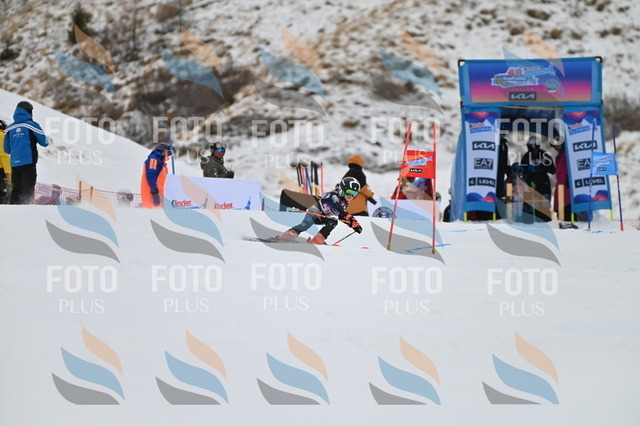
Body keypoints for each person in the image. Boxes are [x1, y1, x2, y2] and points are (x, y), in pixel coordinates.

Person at [276, 177, 363, 245]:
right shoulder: (334, 196)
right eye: (349, 192)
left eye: (354, 194)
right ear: (342, 190)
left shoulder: (344, 203)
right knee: (307, 224)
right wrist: (350, 217)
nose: (351, 196)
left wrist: (352, 225)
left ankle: (318, 239)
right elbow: (338, 207)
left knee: (333, 222)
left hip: (322, 217)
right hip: (314, 212)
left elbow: (341, 215)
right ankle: (288, 235)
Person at [3, 101, 49, 204]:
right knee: (28, 188)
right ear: (29, 112)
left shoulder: (9, 128)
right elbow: (45, 142)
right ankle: (27, 208)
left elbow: (6, 149)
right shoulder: (32, 125)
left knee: (16, 189)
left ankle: (14, 209)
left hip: (14, 163)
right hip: (28, 162)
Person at [520, 135, 556, 222]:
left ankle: (545, 223)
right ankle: (528, 223)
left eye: (534, 146)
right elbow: (522, 171)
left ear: (538, 145)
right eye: (530, 146)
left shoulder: (544, 155)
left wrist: (543, 165)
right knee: (529, 208)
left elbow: (552, 170)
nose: (533, 148)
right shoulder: (526, 156)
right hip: (530, 185)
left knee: (544, 207)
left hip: (543, 185)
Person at [141, 143, 171, 208]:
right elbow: (151, 175)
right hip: (152, 193)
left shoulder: (162, 162)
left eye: (169, 153)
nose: (167, 154)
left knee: (159, 212)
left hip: (159, 193)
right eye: (166, 151)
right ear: (160, 150)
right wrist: (154, 192)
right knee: (152, 211)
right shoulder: (153, 159)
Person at [551, 136, 572, 221]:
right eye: (555, 144)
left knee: (568, 207)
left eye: (559, 143)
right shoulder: (558, 157)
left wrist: (570, 178)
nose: (557, 146)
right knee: (560, 209)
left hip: (568, 188)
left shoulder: (569, 154)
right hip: (560, 188)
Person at [0, 119, 9, 204]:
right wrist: (8, 172)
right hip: (0, 168)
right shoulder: (2, 136)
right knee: (2, 192)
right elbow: (3, 155)